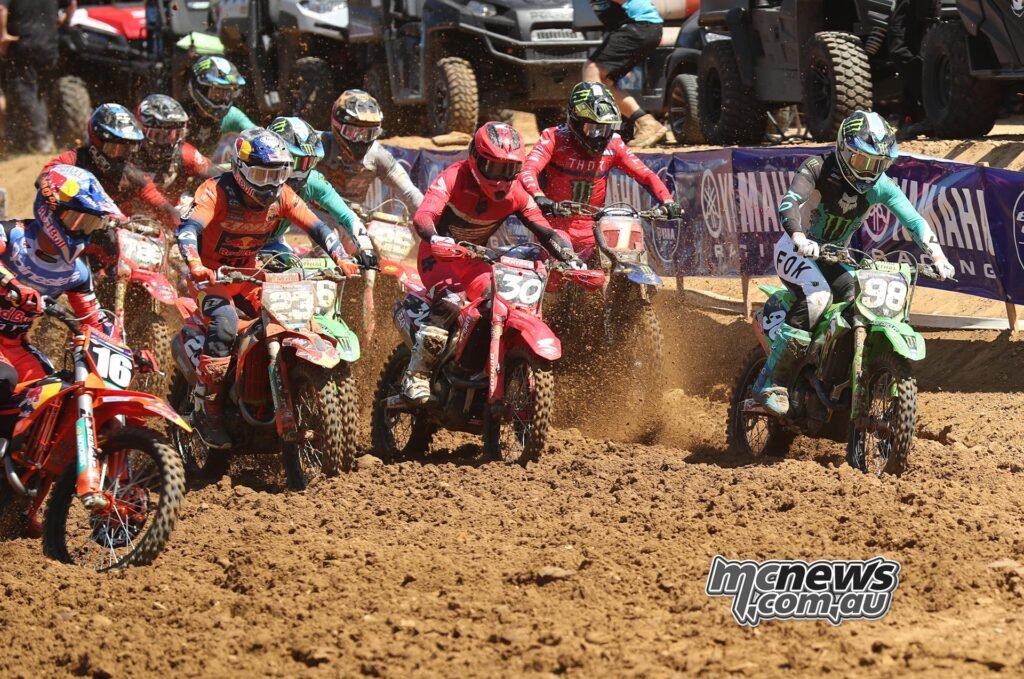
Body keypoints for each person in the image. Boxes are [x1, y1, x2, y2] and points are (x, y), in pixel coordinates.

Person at [753, 110, 956, 416]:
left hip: (835, 257)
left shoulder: (881, 186)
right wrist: (799, 236)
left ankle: (835, 373)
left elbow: (914, 221)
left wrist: (938, 256)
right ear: (845, 151)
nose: (870, 171)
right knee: (818, 296)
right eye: (864, 161)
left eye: (879, 163)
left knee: (859, 300)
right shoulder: (818, 168)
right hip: (796, 250)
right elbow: (790, 202)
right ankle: (772, 382)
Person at [176, 128, 357, 447]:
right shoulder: (216, 191)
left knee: (294, 312)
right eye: (262, 174)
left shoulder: (282, 195)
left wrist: (340, 256)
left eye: (278, 174)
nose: (271, 183)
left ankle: (273, 386)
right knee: (225, 322)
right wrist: (194, 263)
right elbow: (188, 229)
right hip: (210, 279)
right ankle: (208, 410)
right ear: (240, 169)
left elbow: (318, 227)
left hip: (249, 275)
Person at [402, 121, 582, 403]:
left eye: (510, 169)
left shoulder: (517, 193)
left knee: (497, 302)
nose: (501, 179)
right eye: (495, 168)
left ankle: (476, 368)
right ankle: (417, 375)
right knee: (450, 300)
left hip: (474, 260)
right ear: (476, 158)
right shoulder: (454, 177)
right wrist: (436, 238)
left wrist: (570, 258)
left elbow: (545, 231)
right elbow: (424, 215)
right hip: (438, 256)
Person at [0, 164, 124, 453]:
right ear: (49, 209)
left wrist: (124, 350)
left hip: (14, 346)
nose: (81, 229)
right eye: (75, 218)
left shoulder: (76, 272)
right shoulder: (11, 234)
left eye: (89, 224)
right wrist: (12, 283)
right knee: (4, 380)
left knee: (54, 394)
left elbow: (93, 319)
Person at [521, 81, 681, 256]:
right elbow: (527, 170)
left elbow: (646, 175)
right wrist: (539, 196)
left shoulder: (614, 144)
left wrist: (668, 202)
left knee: (623, 254)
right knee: (563, 265)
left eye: (605, 129)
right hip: (553, 227)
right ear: (576, 121)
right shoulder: (553, 137)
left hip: (594, 229)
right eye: (593, 129)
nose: (600, 137)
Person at [249, 116, 377, 270]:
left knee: (298, 274)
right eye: (296, 161)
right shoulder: (244, 173)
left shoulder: (312, 181)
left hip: (273, 245)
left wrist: (365, 247)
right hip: (233, 246)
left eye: (308, 162)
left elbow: (346, 216)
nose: (301, 171)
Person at [42, 103, 180, 229]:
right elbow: (44, 179)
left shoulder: (132, 176)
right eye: (115, 149)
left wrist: (184, 228)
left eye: (127, 150)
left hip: (113, 233)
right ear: (96, 142)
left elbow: (161, 205)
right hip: (68, 230)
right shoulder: (74, 159)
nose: (121, 156)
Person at [319, 89, 423, 211]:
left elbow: (410, 192)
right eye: (354, 133)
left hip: (351, 216)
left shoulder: (377, 155)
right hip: (311, 213)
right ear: (337, 125)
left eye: (370, 133)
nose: (362, 140)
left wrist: (428, 215)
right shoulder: (318, 145)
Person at [583, 0, 666, 148]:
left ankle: (596, 132)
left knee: (592, 70)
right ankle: (646, 123)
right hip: (641, 27)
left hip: (639, 25)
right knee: (605, 81)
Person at [0, 0, 75, 154]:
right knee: (42, 93)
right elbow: (72, 3)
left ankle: (39, 141)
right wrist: (65, 22)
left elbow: (1, 9)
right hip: (49, 46)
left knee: (25, 92)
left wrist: (3, 35)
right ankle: (40, 138)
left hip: (23, 44)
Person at [135, 94, 219, 203]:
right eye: (160, 135)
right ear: (142, 130)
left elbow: (218, 177)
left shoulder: (186, 154)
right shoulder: (128, 154)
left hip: (172, 212)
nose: (169, 144)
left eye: (176, 134)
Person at [182, 55, 255, 155]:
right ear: (200, 88)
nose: (223, 99)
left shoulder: (231, 115)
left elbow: (258, 136)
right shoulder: (180, 117)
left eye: (228, 92)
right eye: (217, 91)